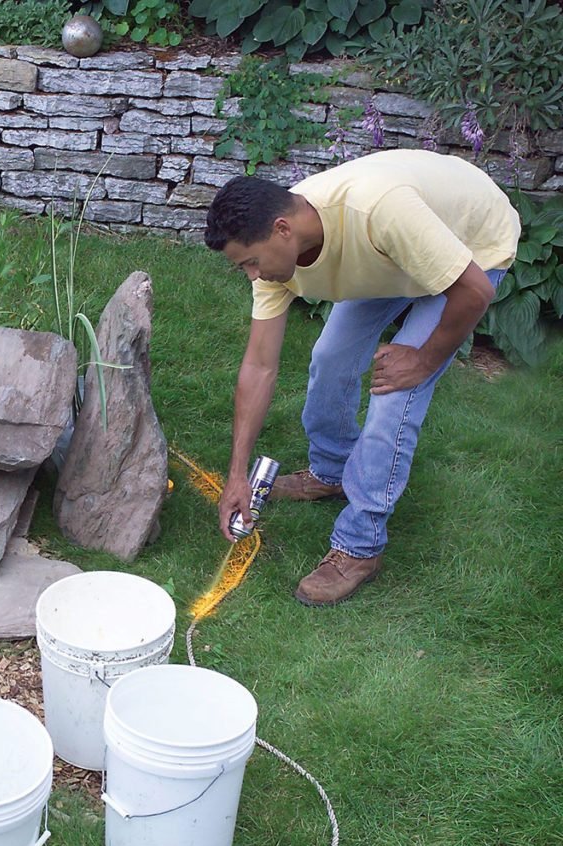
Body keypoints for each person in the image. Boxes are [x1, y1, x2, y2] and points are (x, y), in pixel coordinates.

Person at [205, 149, 520, 606]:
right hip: (392, 257)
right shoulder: (279, 260)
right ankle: (331, 471)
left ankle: (360, 546)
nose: (253, 275)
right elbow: (258, 366)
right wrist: (237, 475)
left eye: (251, 262)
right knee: (331, 357)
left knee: (396, 396)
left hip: (472, 242)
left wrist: (425, 359)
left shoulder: (377, 210)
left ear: (282, 229)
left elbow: (474, 291)